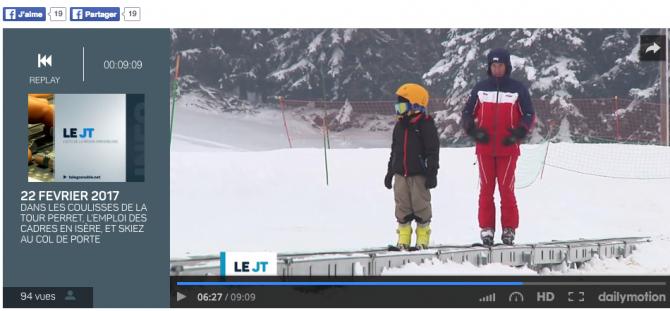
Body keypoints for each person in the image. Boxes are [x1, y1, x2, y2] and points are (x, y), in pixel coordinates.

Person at [461, 48, 536, 246]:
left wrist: (519, 132)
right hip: (485, 148)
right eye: (493, 65)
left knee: (506, 189)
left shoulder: (517, 89)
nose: (497, 69)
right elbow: (467, 113)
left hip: (508, 148)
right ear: (489, 67)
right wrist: (473, 131)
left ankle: (509, 230)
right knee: (486, 189)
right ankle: (486, 229)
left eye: (500, 65)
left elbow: (529, 114)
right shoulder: (480, 88)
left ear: (507, 66)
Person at [385, 83, 440, 250]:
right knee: (402, 206)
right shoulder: (400, 126)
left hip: (419, 175)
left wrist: (432, 173)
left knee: (421, 205)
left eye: (402, 105)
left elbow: (432, 150)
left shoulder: (425, 124)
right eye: (398, 105)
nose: (399, 109)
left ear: (414, 106)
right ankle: (403, 238)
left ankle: (423, 237)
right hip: (401, 174)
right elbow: (394, 150)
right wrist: (390, 172)